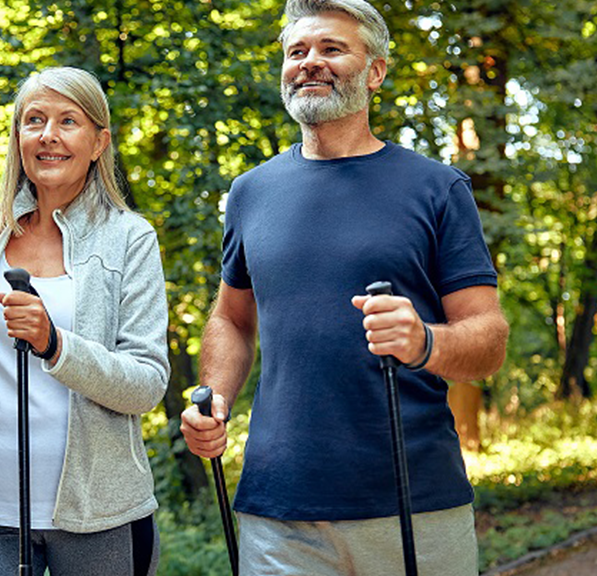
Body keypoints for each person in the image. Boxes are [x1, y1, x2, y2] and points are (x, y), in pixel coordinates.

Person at [180, 1, 510, 575]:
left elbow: (489, 339)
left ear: (374, 72)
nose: (310, 63)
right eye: (296, 52)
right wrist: (216, 399)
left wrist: (424, 342)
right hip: (278, 508)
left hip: (413, 501)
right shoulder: (251, 192)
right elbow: (232, 319)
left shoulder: (436, 187)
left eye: (331, 49)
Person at [0, 66, 169, 576]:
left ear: (99, 142)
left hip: (99, 515)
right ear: (18, 137)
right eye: (34, 120)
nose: (48, 135)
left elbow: (146, 384)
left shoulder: (130, 238)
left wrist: (55, 344)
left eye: (68, 121)